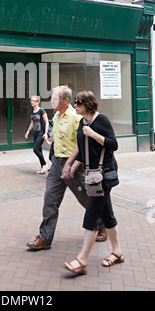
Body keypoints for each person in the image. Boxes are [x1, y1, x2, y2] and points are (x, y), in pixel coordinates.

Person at [27, 85, 106, 251]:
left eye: (55, 99)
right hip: (57, 163)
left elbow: (83, 144)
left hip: (74, 165)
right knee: (50, 198)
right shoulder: (57, 114)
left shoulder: (75, 118)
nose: (52, 101)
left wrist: (71, 164)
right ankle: (45, 238)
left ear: (66, 100)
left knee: (85, 198)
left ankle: (102, 224)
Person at [64, 90, 123, 275]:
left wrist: (93, 134)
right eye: (75, 103)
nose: (75, 106)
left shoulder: (101, 120)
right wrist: (72, 167)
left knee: (91, 215)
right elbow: (83, 150)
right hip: (92, 174)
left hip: (105, 173)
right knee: (107, 214)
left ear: (88, 104)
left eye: (78, 103)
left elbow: (113, 144)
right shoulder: (82, 122)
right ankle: (117, 252)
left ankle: (82, 260)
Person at [25, 95, 49, 174]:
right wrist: (28, 132)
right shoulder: (32, 112)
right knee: (39, 150)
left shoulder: (41, 111)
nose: (32, 102)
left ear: (38, 102)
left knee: (35, 149)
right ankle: (42, 167)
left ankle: (45, 164)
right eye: (31, 101)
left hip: (41, 133)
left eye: (34, 101)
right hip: (35, 133)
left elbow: (46, 122)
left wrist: (45, 133)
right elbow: (32, 123)